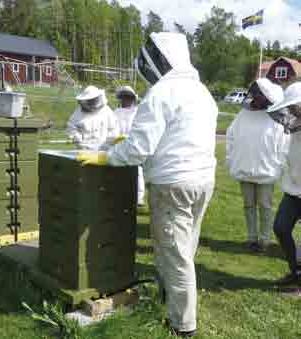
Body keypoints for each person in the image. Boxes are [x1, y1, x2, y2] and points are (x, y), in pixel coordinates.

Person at [77, 32, 218, 338]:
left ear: (160, 60)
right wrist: (127, 140)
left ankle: (183, 325)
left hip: (173, 185)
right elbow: (177, 136)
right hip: (202, 180)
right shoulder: (201, 92)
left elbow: (139, 150)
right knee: (185, 248)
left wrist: (106, 156)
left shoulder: (162, 92)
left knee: (175, 255)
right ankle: (172, 299)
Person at [226, 78, 288, 253]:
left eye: (260, 94)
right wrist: (232, 160)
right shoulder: (243, 114)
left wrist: (278, 165)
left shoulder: (276, 117)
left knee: (265, 205)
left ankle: (265, 240)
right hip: (244, 168)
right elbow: (231, 135)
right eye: (255, 93)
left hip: (266, 171)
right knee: (249, 205)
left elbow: (283, 144)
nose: (257, 97)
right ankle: (252, 238)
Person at [266, 82, 301, 286]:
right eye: (293, 107)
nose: (293, 111)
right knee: (280, 227)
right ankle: (295, 270)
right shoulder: (294, 127)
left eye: (296, 106)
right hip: (293, 190)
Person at [114, 85, 145, 206]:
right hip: (119, 144)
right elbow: (112, 128)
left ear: (132, 99)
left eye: (128, 97)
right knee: (119, 171)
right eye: (124, 97)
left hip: (134, 143)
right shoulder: (116, 112)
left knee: (137, 170)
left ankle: (139, 198)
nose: (125, 100)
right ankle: (120, 195)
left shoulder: (138, 112)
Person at [66, 85, 118, 150]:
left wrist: (109, 141)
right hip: (84, 149)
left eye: (93, 100)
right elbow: (71, 127)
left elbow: (114, 129)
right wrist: (76, 136)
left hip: (103, 150)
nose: (91, 102)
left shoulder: (107, 111)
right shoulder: (78, 112)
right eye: (89, 100)